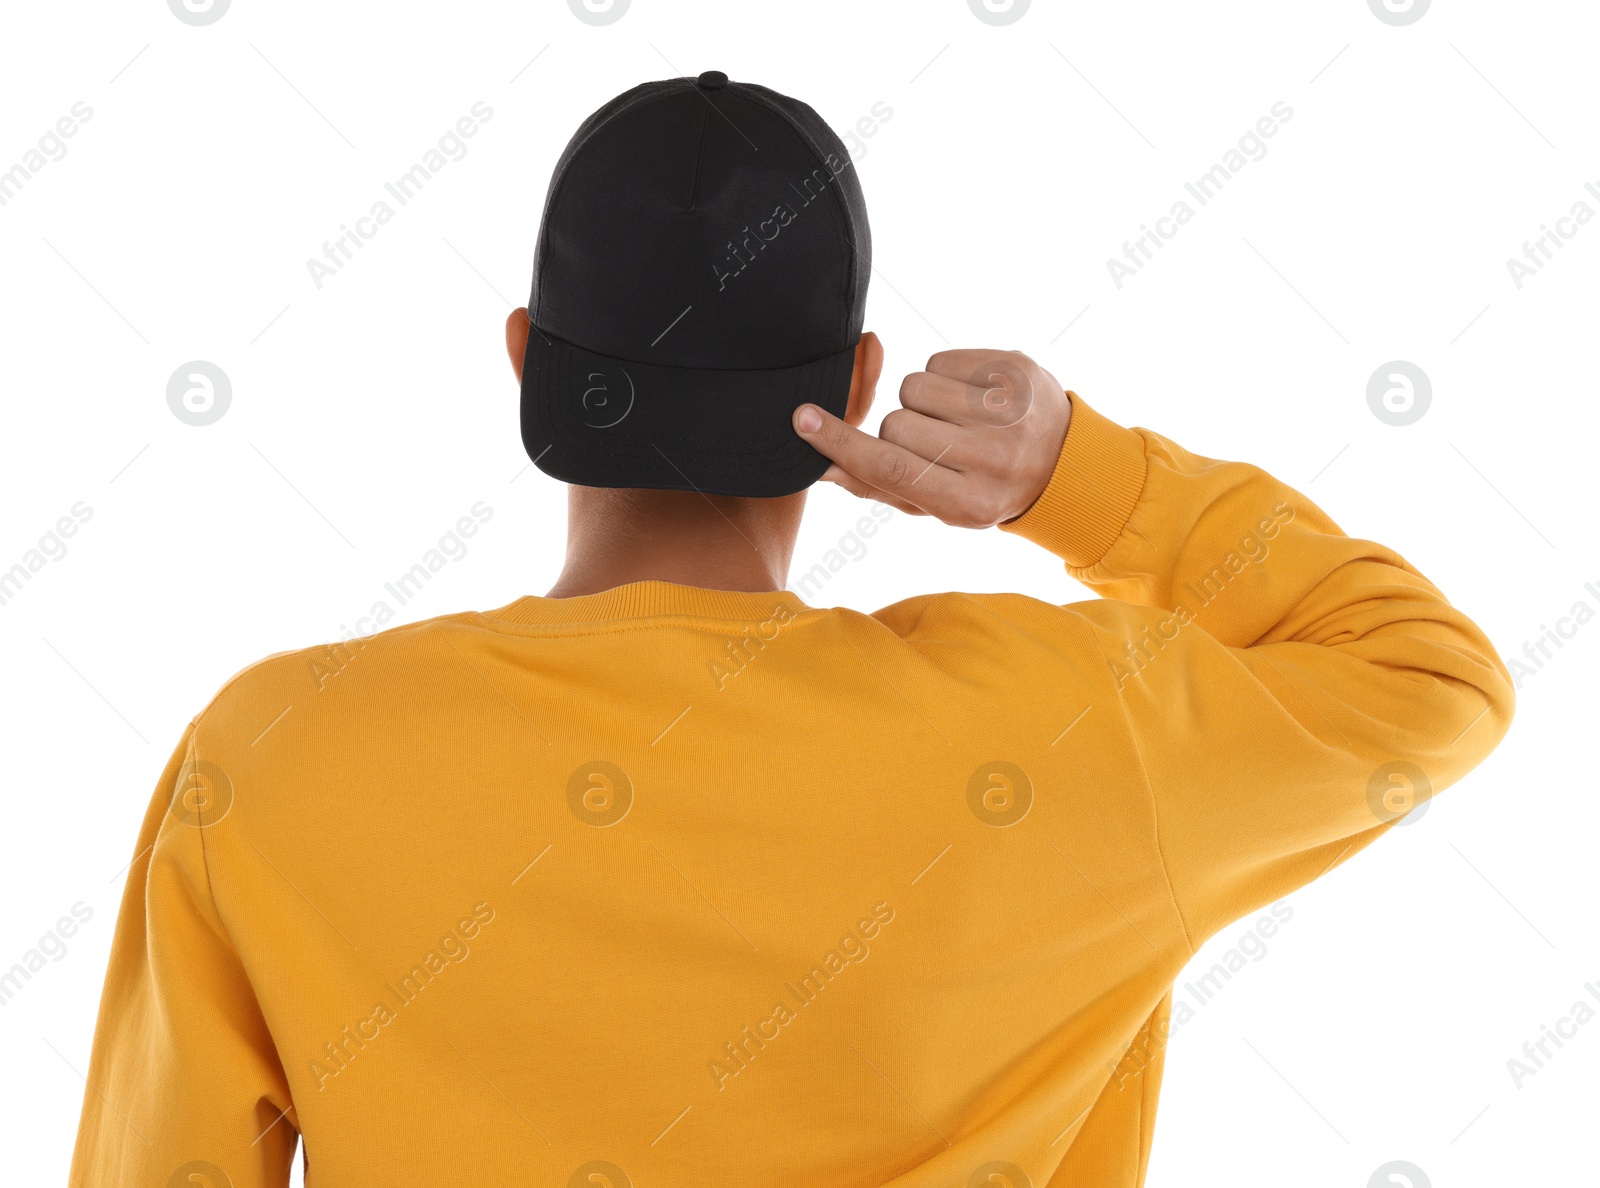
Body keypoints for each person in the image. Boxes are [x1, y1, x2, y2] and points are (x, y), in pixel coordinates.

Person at [71, 73, 1513, 1188]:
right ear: (863, 374)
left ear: (523, 359)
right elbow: (1426, 674)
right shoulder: (1067, 727)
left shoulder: (275, 754)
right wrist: (1075, 476)